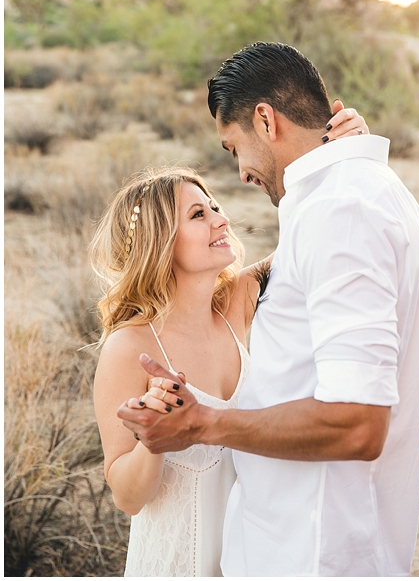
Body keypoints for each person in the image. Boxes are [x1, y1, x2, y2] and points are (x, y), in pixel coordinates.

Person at [117, 41, 419, 577]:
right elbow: (295, 271)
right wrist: (341, 151)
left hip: (311, 552)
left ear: (265, 119)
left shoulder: (341, 210)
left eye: (232, 147)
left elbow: (358, 425)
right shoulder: (341, 199)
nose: (240, 173)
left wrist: (203, 425)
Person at [91, 105, 368, 577]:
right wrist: (153, 440)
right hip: (175, 564)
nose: (221, 220)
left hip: (253, 561)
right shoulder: (129, 346)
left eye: (215, 207)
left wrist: (348, 156)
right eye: (199, 214)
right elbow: (127, 496)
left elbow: (311, 240)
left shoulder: (238, 300)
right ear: (160, 242)